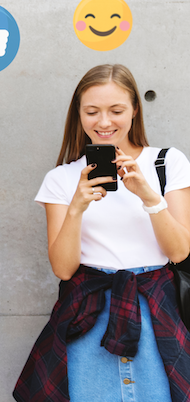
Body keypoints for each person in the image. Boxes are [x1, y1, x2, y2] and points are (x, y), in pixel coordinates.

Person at [15, 64, 190, 401]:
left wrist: (148, 196)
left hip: (157, 309)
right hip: (88, 314)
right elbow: (63, 269)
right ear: (78, 114)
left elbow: (179, 251)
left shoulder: (167, 163)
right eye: (92, 111)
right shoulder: (62, 179)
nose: (104, 122)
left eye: (116, 110)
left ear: (135, 110)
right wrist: (77, 207)